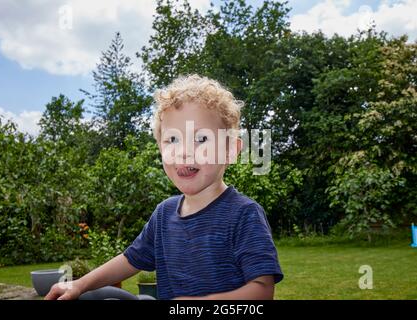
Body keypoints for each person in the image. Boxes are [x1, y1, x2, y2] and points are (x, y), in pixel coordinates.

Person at [45, 74, 283, 300]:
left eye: (201, 139)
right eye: (172, 139)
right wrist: (79, 284)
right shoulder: (164, 214)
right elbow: (130, 260)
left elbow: (262, 291)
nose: (183, 152)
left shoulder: (244, 214)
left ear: (230, 150)